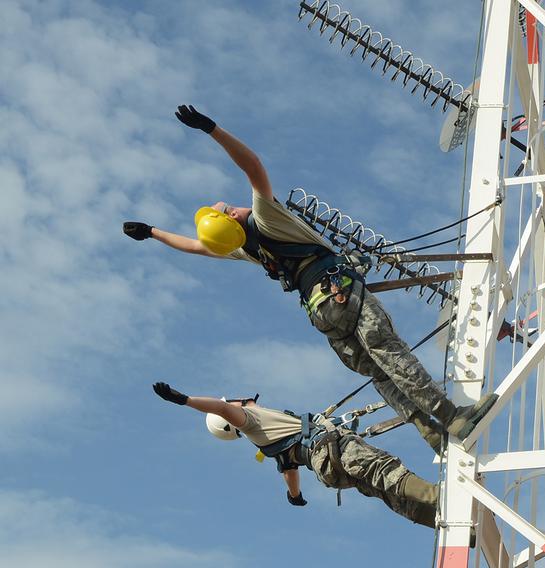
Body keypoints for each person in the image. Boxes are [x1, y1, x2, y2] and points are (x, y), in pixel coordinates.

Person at [125, 105, 495, 451]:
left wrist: (153, 231)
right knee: (391, 355)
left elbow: (195, 247)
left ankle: (431, 434)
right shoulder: (266, 219)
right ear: (232, 220)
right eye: (228, 208)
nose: (232, 204)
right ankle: (452, 418)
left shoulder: (248, 251)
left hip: (320, 314)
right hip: (342, 293)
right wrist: (212, 129)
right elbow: (252, 165)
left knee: (380, 376)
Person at [152, 381, 440, 527]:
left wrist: (295, 496)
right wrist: (184, 400)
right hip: (330, 446)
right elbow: (222, 408)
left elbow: (290, 472)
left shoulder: (266, 441)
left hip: (328, 468)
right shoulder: (250, 420)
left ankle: (441, 519)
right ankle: (442, 498)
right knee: (383, 471)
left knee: (385, 491)